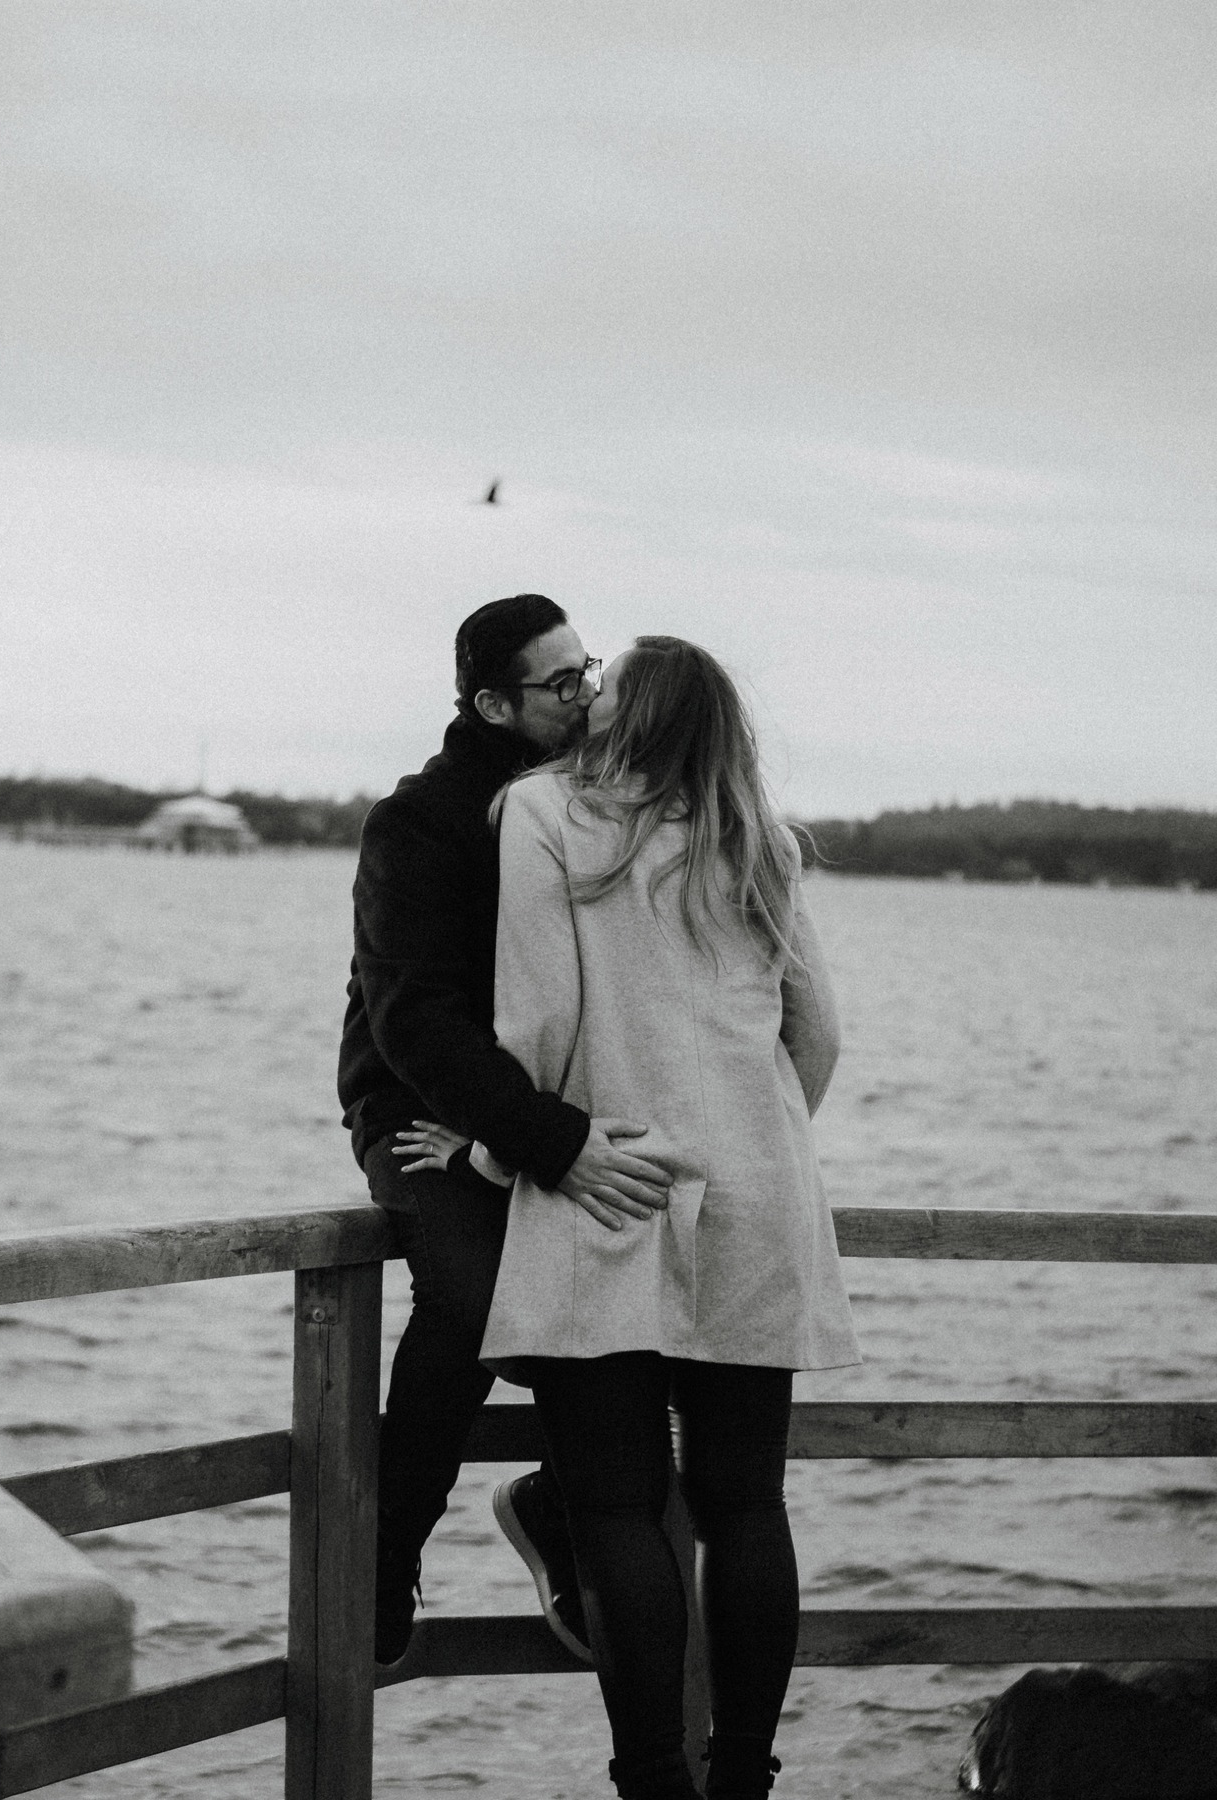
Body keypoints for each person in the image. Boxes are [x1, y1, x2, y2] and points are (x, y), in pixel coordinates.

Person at [470, 636, 861, 1799]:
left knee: (612, 1507)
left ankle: (652, 1782)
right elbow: (818, 1034)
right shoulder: (761, 840)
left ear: (622, 714)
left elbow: (535, 1021)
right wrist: (762, 1140)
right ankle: (744, 1774)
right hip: (754, 1188)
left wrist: (500, 1152)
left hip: (609, 1181)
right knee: (746, 1503)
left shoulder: (542, 813)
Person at [338, 594, 675, 1668]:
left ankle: (560, 1512)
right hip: (416, 1107)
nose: (586, 696)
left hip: (549, 1106)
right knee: (478, 1295)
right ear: (491, 701)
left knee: (613, 1287)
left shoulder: (593, 802)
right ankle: (385, 1558)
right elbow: (413, 1020)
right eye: (560, 683)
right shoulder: (422, 822)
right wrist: (546, 1144)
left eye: (590, 670)